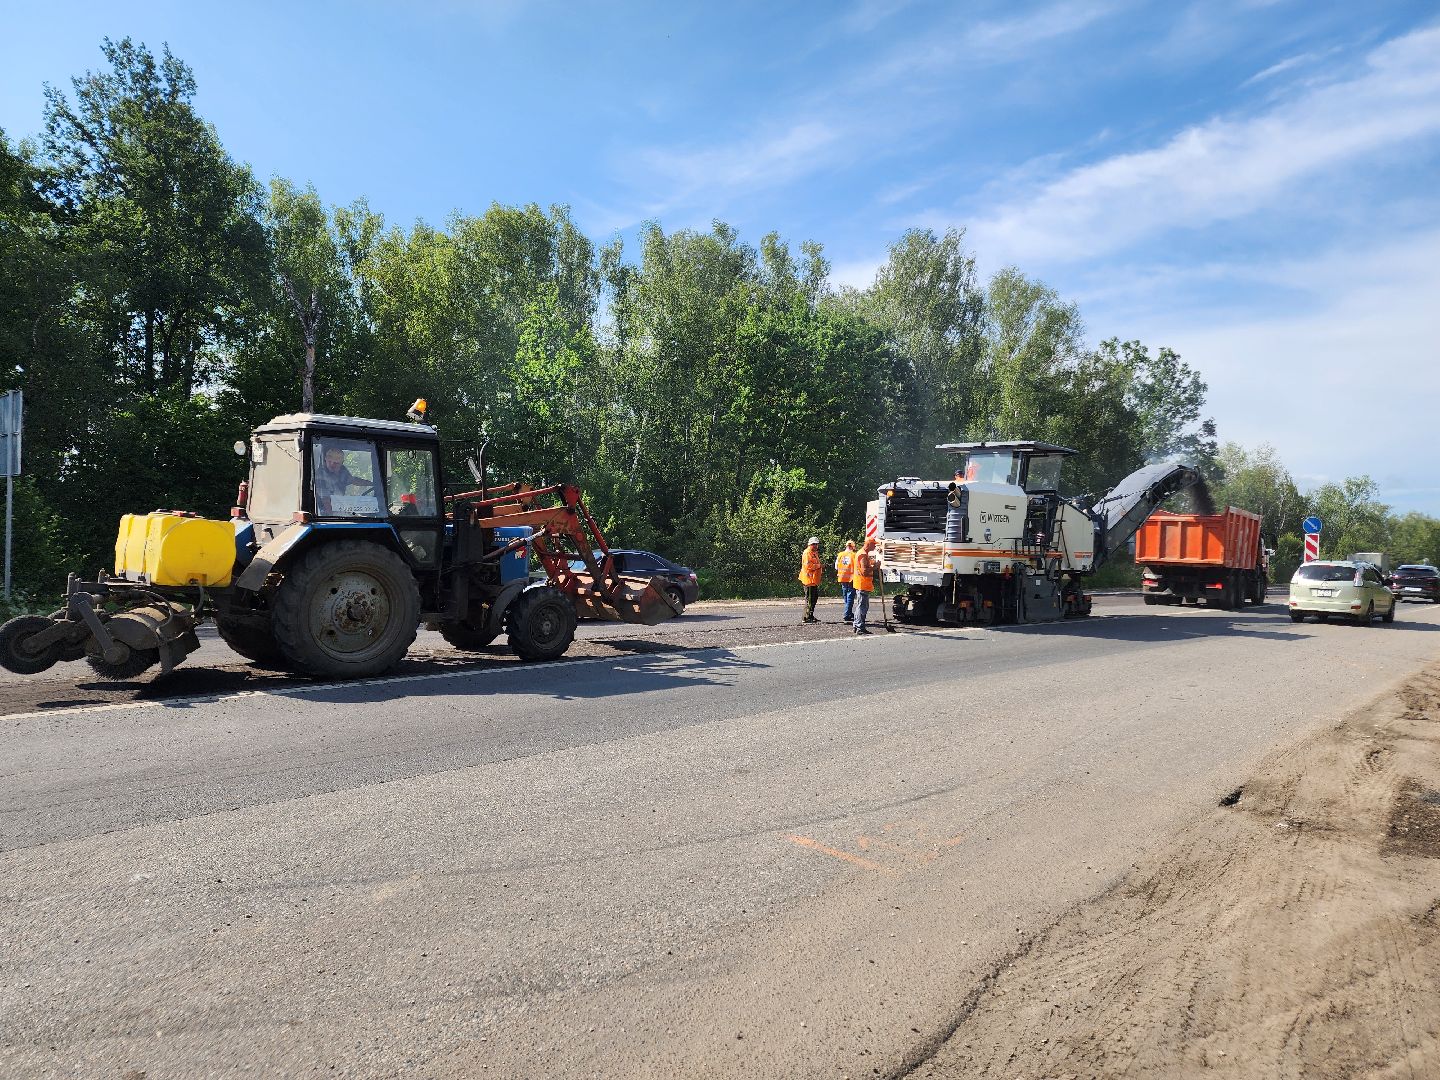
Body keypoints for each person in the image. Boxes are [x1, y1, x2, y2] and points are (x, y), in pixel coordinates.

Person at [315, 445, 359, 513]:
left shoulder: (342, 470)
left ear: (342, 462)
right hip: (323, 512)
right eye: (329, 461)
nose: (332, 464)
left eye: (336, 463)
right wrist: (335, 516)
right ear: (325, 459)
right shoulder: (320, 475)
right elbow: (326, 501)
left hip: (339, 506)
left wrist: (373, 483)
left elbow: (353, 480)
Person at [853, 538, 879, 635]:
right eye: (874, 545)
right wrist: (875, 567)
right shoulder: (862, 554)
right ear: (869, 544)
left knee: (860, 606)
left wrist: (873, 564)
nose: (874, 546)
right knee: (862, 606)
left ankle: (856, 625)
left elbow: (866, 566)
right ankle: (860, 627)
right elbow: (864, 571)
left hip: (862, 584)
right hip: (862, 584)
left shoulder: (863, 553)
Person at [798, 536, 823, 623]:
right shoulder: (807, 553)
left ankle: (810, 616)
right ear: (810, 544)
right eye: (814, 544)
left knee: (814, 598)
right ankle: (806, 617)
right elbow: (808, 566)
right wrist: (819, 566)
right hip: (808, 580)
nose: (816, 546)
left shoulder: (814, 552)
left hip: (813, 580)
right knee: (809, 599)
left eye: (816, 544)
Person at [835, 540, 857, 623]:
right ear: (853, 547)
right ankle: (847, 614)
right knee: (850, 597)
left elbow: (836, 566)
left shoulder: (840, 555)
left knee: (846, 596)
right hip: (851, 578)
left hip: (842, 577)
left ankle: (849, 612)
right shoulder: (854, 555)